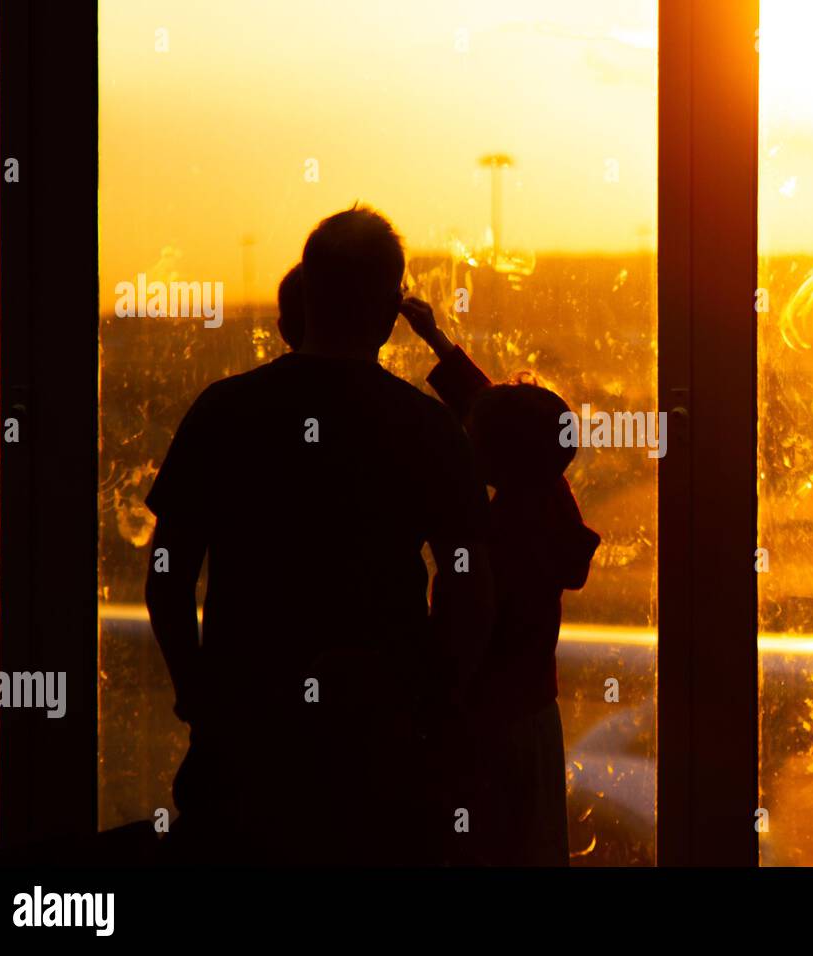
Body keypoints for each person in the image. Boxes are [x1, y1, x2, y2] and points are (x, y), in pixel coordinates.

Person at [144, 205, 494, 864]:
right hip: (379, 754)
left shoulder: (224, 411)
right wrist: (436, 700)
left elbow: (167, 575)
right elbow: (470, 584)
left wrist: (199, 693)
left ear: (307, 293)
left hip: (246, 749)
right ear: (392, 310)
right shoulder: (427, 429)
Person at [400, 297, 601, 866]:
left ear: (492, 453)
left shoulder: (504, 531)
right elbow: (499, 413)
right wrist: (435, 339)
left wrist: (441, 701)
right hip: (533, 715)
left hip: (488, 722)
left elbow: (473, 619)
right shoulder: (547, 495)